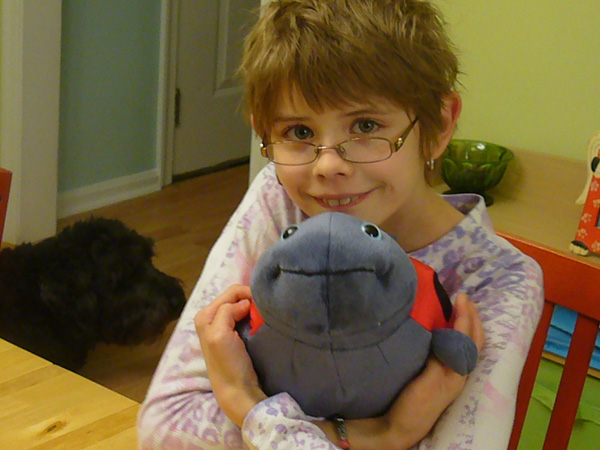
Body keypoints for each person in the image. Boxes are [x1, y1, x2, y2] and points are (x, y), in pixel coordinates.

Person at [138, 1, 543, 449]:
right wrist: (388, 435)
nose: (328, 165)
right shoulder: (281, 200)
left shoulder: (498, 278)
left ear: (440, 124)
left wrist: (243, 400)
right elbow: (168, 429)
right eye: (299, 132)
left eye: (366, 125)